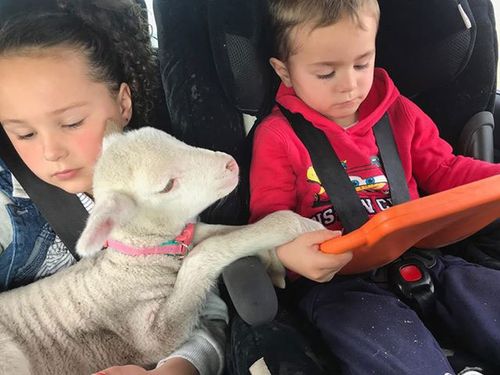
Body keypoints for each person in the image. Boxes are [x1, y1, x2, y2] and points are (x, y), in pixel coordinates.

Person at [246, 0, 500, 374]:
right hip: (337, 283)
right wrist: (286, 254)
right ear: (284, 72)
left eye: (362, 64)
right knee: (389, 347)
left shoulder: (399, 113)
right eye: (326, 73)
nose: (349, 85)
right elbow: (269, 220)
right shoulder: (278, 137)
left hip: (423, 257)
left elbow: (445, 169)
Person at [0, 1, 227, 374]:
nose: (50, 151)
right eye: (23, 133)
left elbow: (203, 307)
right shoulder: (10, 207)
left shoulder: (165, 182)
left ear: (123, 103)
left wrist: (181, 366)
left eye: (72, 123)